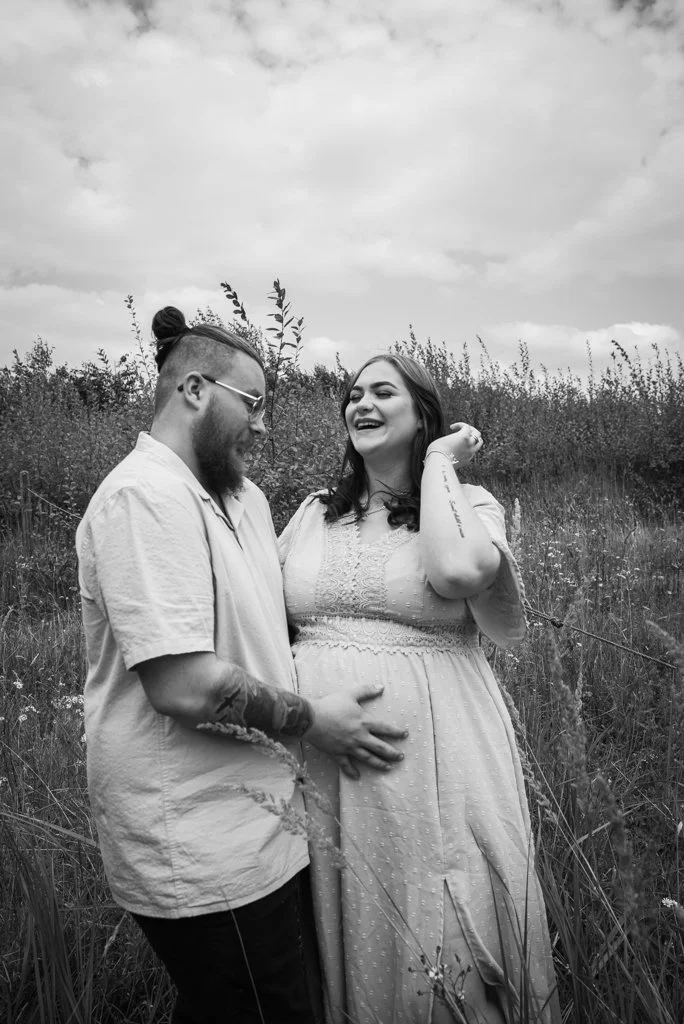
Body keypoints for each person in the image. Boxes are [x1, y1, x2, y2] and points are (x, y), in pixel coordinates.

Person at [75, 309, 407, 1024]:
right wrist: (316, 721)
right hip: (197, 839)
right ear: (194, 389)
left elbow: (274, 618)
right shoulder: (144, 498)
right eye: (252, 404)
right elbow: (184, 686)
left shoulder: (244, 498)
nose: (262, 426)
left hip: (269, 820)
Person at [278, 354, 561, 1024]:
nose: (362, 404)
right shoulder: (317, 512)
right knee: (335, 907)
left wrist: (440, 463)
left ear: (422, 413)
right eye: (353, 395)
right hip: (318, 752)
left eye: (383, 392)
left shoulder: (472, 507)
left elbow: (459, 572)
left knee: (436, 905)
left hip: (431, 758)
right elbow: (266, 612)